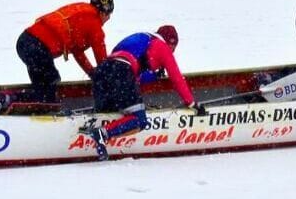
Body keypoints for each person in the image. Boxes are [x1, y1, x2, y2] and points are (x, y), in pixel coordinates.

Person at [80, 25, 204, 161]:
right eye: (173, 48)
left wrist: (153, 76)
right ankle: (102, 133)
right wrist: (192, 103)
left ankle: (85, 134)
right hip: (121, 71)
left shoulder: (142, 39)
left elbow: (134, 73)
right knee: (140, 120)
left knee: (107, 114)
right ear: (171, 43)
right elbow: (176, 77)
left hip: (102, 72)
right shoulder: (162, 46)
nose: (173, 52)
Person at [16, 0, 112, 103]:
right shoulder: (94, 25)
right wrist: (107, 81)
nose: (108, 19)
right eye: (109, 15)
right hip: (38, 46)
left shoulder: (80, 10)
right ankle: (47, 110)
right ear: (103, 13)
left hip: (24, 40)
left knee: (40, 82)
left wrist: (91, 72)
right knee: (51, 79)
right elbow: (103, 62)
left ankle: (25, 102)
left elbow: (77, 51)